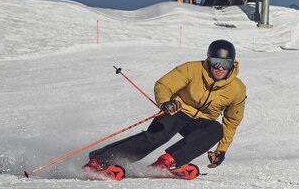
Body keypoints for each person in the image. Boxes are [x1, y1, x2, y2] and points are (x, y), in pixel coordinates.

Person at [83, 39, 247, 180]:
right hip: (178, 109)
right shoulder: (192, 69)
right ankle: (99, 161)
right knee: (156, 136)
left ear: (233, 64)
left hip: (200, 121)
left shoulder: (236, 89)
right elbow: (164, 84)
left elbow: (231, 121)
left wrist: (221, 150)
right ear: (208, 61)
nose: (220, 68)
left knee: (216, 129)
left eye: (225, 63)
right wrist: (166, 102)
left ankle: (166, 162)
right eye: (215, 62)